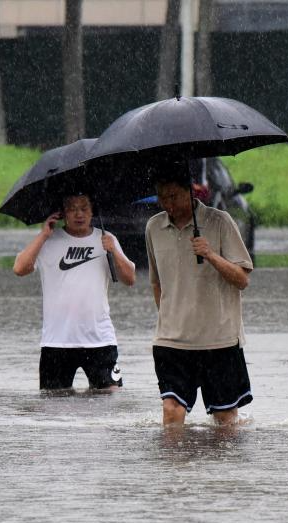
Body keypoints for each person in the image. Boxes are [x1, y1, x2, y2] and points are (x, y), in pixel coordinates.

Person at [145, 164, 254, 427]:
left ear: (191, 192)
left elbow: (242, 279)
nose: (167, 203)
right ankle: (173, 469)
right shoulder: (153, 227)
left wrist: (210, 255)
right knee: (171, 412)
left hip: (219, 339)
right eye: (162, 196)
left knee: (225, 421)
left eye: (173, 196)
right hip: (172, 340)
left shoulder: (220, 221)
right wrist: (170, 318)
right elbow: (157, 283)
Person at [13, 192, 137, 391]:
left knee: (112, 400)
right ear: (62, 213)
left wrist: (112, 251)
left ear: (92, 211)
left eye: (84, 208)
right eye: (72, 208)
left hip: (100, 339)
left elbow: (130, 279)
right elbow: (20, 268)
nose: (78, 214)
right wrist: (43, 234)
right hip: (57, 341)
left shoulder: (106, 238)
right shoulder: (49, 241)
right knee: (53, 405)